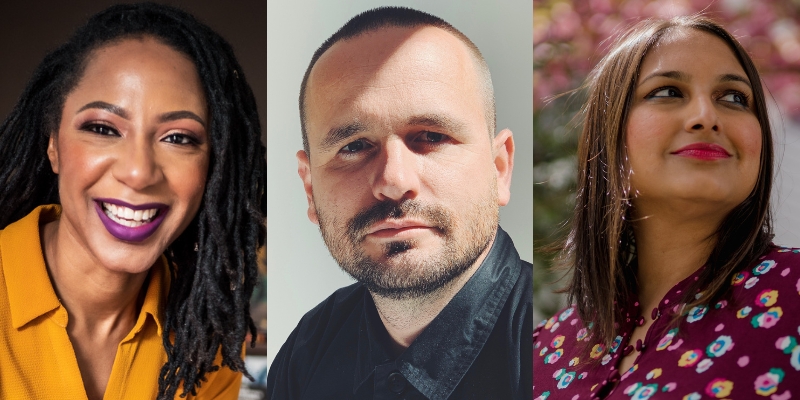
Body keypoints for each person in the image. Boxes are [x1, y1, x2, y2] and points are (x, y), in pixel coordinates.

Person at [0, 3, 266, 400]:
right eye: (103, 128)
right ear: (52, 144)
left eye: (179, 138)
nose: (139, 172)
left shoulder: (204, 341)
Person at [266, 6, 532, 400]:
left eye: (431, 136)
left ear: (499, 169)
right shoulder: (306, 351)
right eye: (354, 146)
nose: (393, 181)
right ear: (310, 189)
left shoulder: (556, 347)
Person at [534, 15, 800, 399]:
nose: (706, 117)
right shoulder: (538, 350)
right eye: (668, 92)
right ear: (610, 137)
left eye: (734, 98)